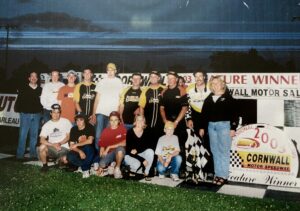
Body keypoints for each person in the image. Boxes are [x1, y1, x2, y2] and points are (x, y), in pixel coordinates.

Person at [200, 76, 239, 186]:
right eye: (213, 83)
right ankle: (218, 174)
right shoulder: (209, 98)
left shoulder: (228, 98)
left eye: (217, 83)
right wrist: (202, 127)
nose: (215, 85)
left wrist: (233, 128)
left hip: (224, 126)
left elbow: (235, 115)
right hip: (211, 127)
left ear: (222, 84)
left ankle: (224, 176)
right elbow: (204, 114)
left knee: (224, 151)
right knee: (215, 151)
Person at [185, 70, 214, 175]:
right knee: (199, 144)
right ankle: (200, 168)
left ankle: (211, 169)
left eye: (200, 76)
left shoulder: (211, 87)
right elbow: (187, 105)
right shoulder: (190, 89)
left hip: (210, 118)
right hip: (196, 118)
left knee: (210, 143)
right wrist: (189, 118)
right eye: (196, 76)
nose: (198, 78)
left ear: (204, 77)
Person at [160, 71, 188, 176]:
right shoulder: (164, 91)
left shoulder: (181, 90)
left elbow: (184, 108)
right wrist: (165, 121)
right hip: (167, 125)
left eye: (172, 78)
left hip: (179, 124)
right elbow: (161, 108)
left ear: (176, 79)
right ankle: (168, 168)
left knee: (179, 147)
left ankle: (182, 170)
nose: (170, 80)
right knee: (167, 146)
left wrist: (176, 122)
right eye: (168, 78)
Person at [92, 63, 124, 151]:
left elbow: (121, 99)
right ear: (106, 71)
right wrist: (93, 113)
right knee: (98, 135)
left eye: (112, 70)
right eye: (108, 70)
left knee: (108, 135)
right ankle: (98, 155)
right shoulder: (102, 82)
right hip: (101, 112)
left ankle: (106, 154)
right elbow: (97, 99)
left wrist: (118, 113)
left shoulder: (119, 82)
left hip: (112, 114)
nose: (110, 72)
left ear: (115, 71)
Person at [15, 71, 43, 160]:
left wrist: (41, 113)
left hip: (36, 115)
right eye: (32, 76)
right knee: (23, 135)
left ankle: (33, 154)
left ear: (37, 79)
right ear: (29, 78)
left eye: (35, 76)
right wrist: (19, 110)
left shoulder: (40, 90)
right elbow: (19, 100)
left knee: (34, 136)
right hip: (25, 115)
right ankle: (20, 155)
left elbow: (41, 103)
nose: (34, 78)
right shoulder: (23, 88)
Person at [39, 104, 72, 172]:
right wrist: (53, 145)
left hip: (64, 148)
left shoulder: (66, 122)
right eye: (54, 112)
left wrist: (59, 143)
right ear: (51, 113)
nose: (56, 114)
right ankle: (45, 166)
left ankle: (61, 161)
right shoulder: (47, 125)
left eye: (58, 112)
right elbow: (42, 140)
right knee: (42, 147)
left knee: (64, 162)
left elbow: (68, 137)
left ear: (60, 113)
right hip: (52, 148)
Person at [61, 113, 96, 178]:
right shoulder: (73, 129)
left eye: (81, 120)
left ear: (85, 120)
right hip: (78, 150)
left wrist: (77, 144)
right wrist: (80, 151)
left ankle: (85, 169)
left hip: (89, 149)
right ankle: (86, 166)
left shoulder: (90, 127)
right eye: (77, 120)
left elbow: (90, 141)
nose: (78, 122)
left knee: (88, 148)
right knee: (70, 156)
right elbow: (71, 146)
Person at [138, 70, 165, 149]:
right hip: (149, 123)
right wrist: (142, 120)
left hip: (161, 123)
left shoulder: (164, 89)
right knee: (148, 144)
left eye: (155, 77)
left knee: (160, 144)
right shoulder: (145, 90)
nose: (153, 78)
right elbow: (141, 106)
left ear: (159, 78)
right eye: (151, 77)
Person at [96, 111, 126, 179]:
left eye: (116, 120)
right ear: (109, 121)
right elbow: (102, 146)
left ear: (119, 121)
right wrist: (101, 165)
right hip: (110, 153)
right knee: (102, 164)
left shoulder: (122, 129)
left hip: (119, 152)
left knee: (120, 149)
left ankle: (117, 168)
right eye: (111, 120)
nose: (113, 122)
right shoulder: (106, 131)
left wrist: (109, 147)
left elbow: (125, 142)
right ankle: (110, 166)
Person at [124, 114, 154, 180]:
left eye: (142, 120)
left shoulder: (147, 132)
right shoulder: (130, 132)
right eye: (138, 120)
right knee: (137, 164)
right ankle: (132, 168)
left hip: (139, 153)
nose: (140, 122)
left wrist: (137, 150)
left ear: (144, 122)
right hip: (130, 155)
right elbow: (129, 150)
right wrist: (142, 160)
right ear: (135, 122)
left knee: (150, 151)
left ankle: (146, 172)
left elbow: (147, 146)